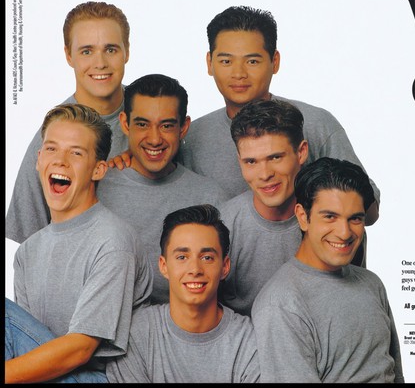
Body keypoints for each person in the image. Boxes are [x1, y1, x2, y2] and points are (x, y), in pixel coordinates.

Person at [179, 5, 381, 226]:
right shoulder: (193, 137)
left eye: (252, 61)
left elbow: (369, 214)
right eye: (226, 61)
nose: (238, 73)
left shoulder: (315, 124)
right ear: (209, 63)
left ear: (275, 61)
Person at [4, 103, 153, 384]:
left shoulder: (112, 240)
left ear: (98, 170)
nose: (60, 161)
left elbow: (81, 349)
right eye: (51, 148)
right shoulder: (28, 252)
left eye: (75, 153)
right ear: (38, 159)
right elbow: (26, 344)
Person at [251, 157, 404, 383]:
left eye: (355, 219)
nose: (344, 232)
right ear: (303, 217)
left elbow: (396, 375)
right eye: (330, 217)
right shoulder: (281, 304)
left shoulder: (372, 284)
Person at [6, 1, 131, 244]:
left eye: (111, 49)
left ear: (127, 50)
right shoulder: (51, 138)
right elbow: (29, 243)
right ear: (68, 55)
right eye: (87, 51)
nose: (100, 63)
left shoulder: (152, 118)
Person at [96, 74, 229, 304]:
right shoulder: (97, 188)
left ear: (184, 127)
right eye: (142, 124)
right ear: (125, 124)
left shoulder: (211, 197)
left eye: (166, 125)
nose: (155, 139)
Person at [106, 204, 260, 383]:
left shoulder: (249, 340)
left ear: (225, 267)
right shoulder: (137, 334)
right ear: (164, 266)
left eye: (207, 258)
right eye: (182, 257)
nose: (195, 269)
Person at [218, 98, 308, 316]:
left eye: (275, 157)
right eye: (251, 162)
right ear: (239, 161)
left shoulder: (332, 224)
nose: (265, 174)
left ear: (301, 152)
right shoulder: (221, 225)